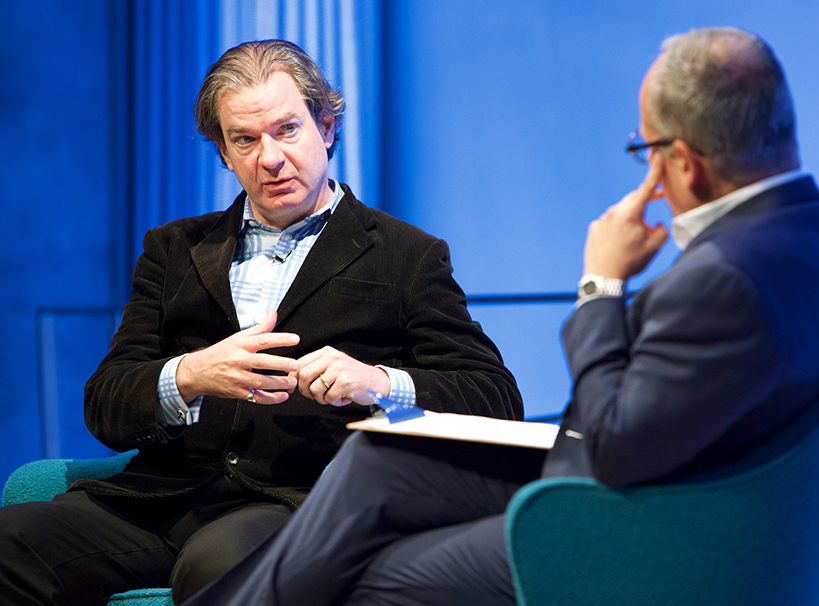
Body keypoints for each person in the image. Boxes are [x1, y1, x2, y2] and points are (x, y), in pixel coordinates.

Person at [180, 26, 819, 606]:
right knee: (382, 459)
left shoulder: (721, 280)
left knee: (363, 573)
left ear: (683, 164)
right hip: (715, 487)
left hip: (645, 527)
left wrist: (601, 284)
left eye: (644, 148)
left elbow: (612, 449)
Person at [0, 40, 522, 606]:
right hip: (163, 499)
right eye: (245, 140)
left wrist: (378, 382)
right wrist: (189, 375)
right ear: (223, 151)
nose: (269, 158)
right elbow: (105, 402)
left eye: (287, 130)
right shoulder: (174, 249)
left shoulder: (405, 255)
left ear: (325, 126)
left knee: (219, 562)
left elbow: (495, 398)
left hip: (298, 504)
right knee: (11, 540)